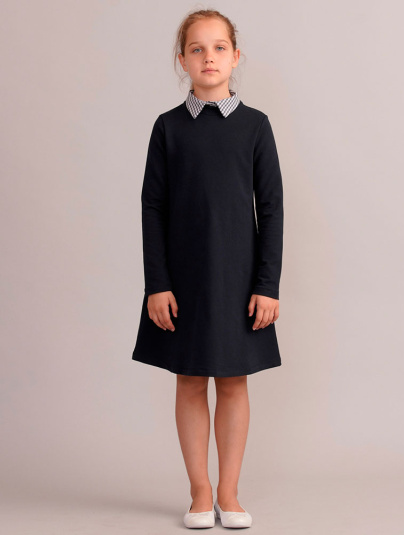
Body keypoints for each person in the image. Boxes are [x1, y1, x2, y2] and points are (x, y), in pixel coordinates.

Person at [131, 8, 284, 529]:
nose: (209, 57)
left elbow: (272, 208)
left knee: (234, 381)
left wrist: (267, 285)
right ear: (183, 60)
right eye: (197, 49)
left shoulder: (255, 126)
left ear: (235, 57)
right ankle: (200, 492)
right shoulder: (168, 128)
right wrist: (158, 284)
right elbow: (152, 207)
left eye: (219, 48)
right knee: (191, 380)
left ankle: (230, 493)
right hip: (184, 279)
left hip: (239, 279)